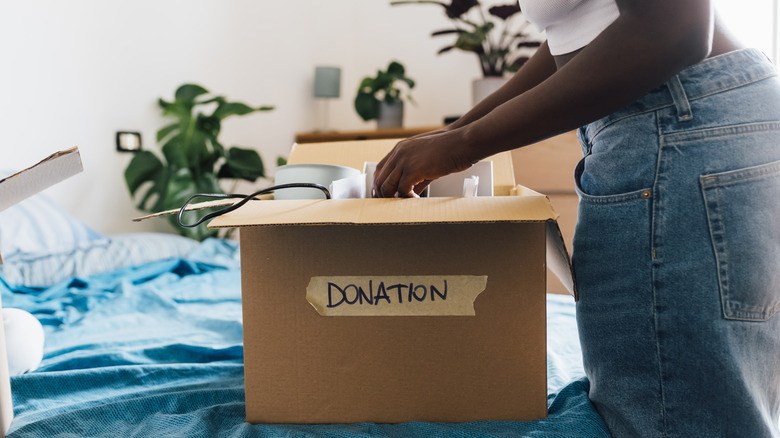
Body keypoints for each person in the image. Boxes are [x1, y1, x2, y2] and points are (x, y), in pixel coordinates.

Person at [373, 0, 780, 436]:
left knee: (670, 414)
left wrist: (466, 142)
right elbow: (571, 40)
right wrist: (455, 134)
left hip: (680, 130)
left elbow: (674, 27)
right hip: (697, 125)